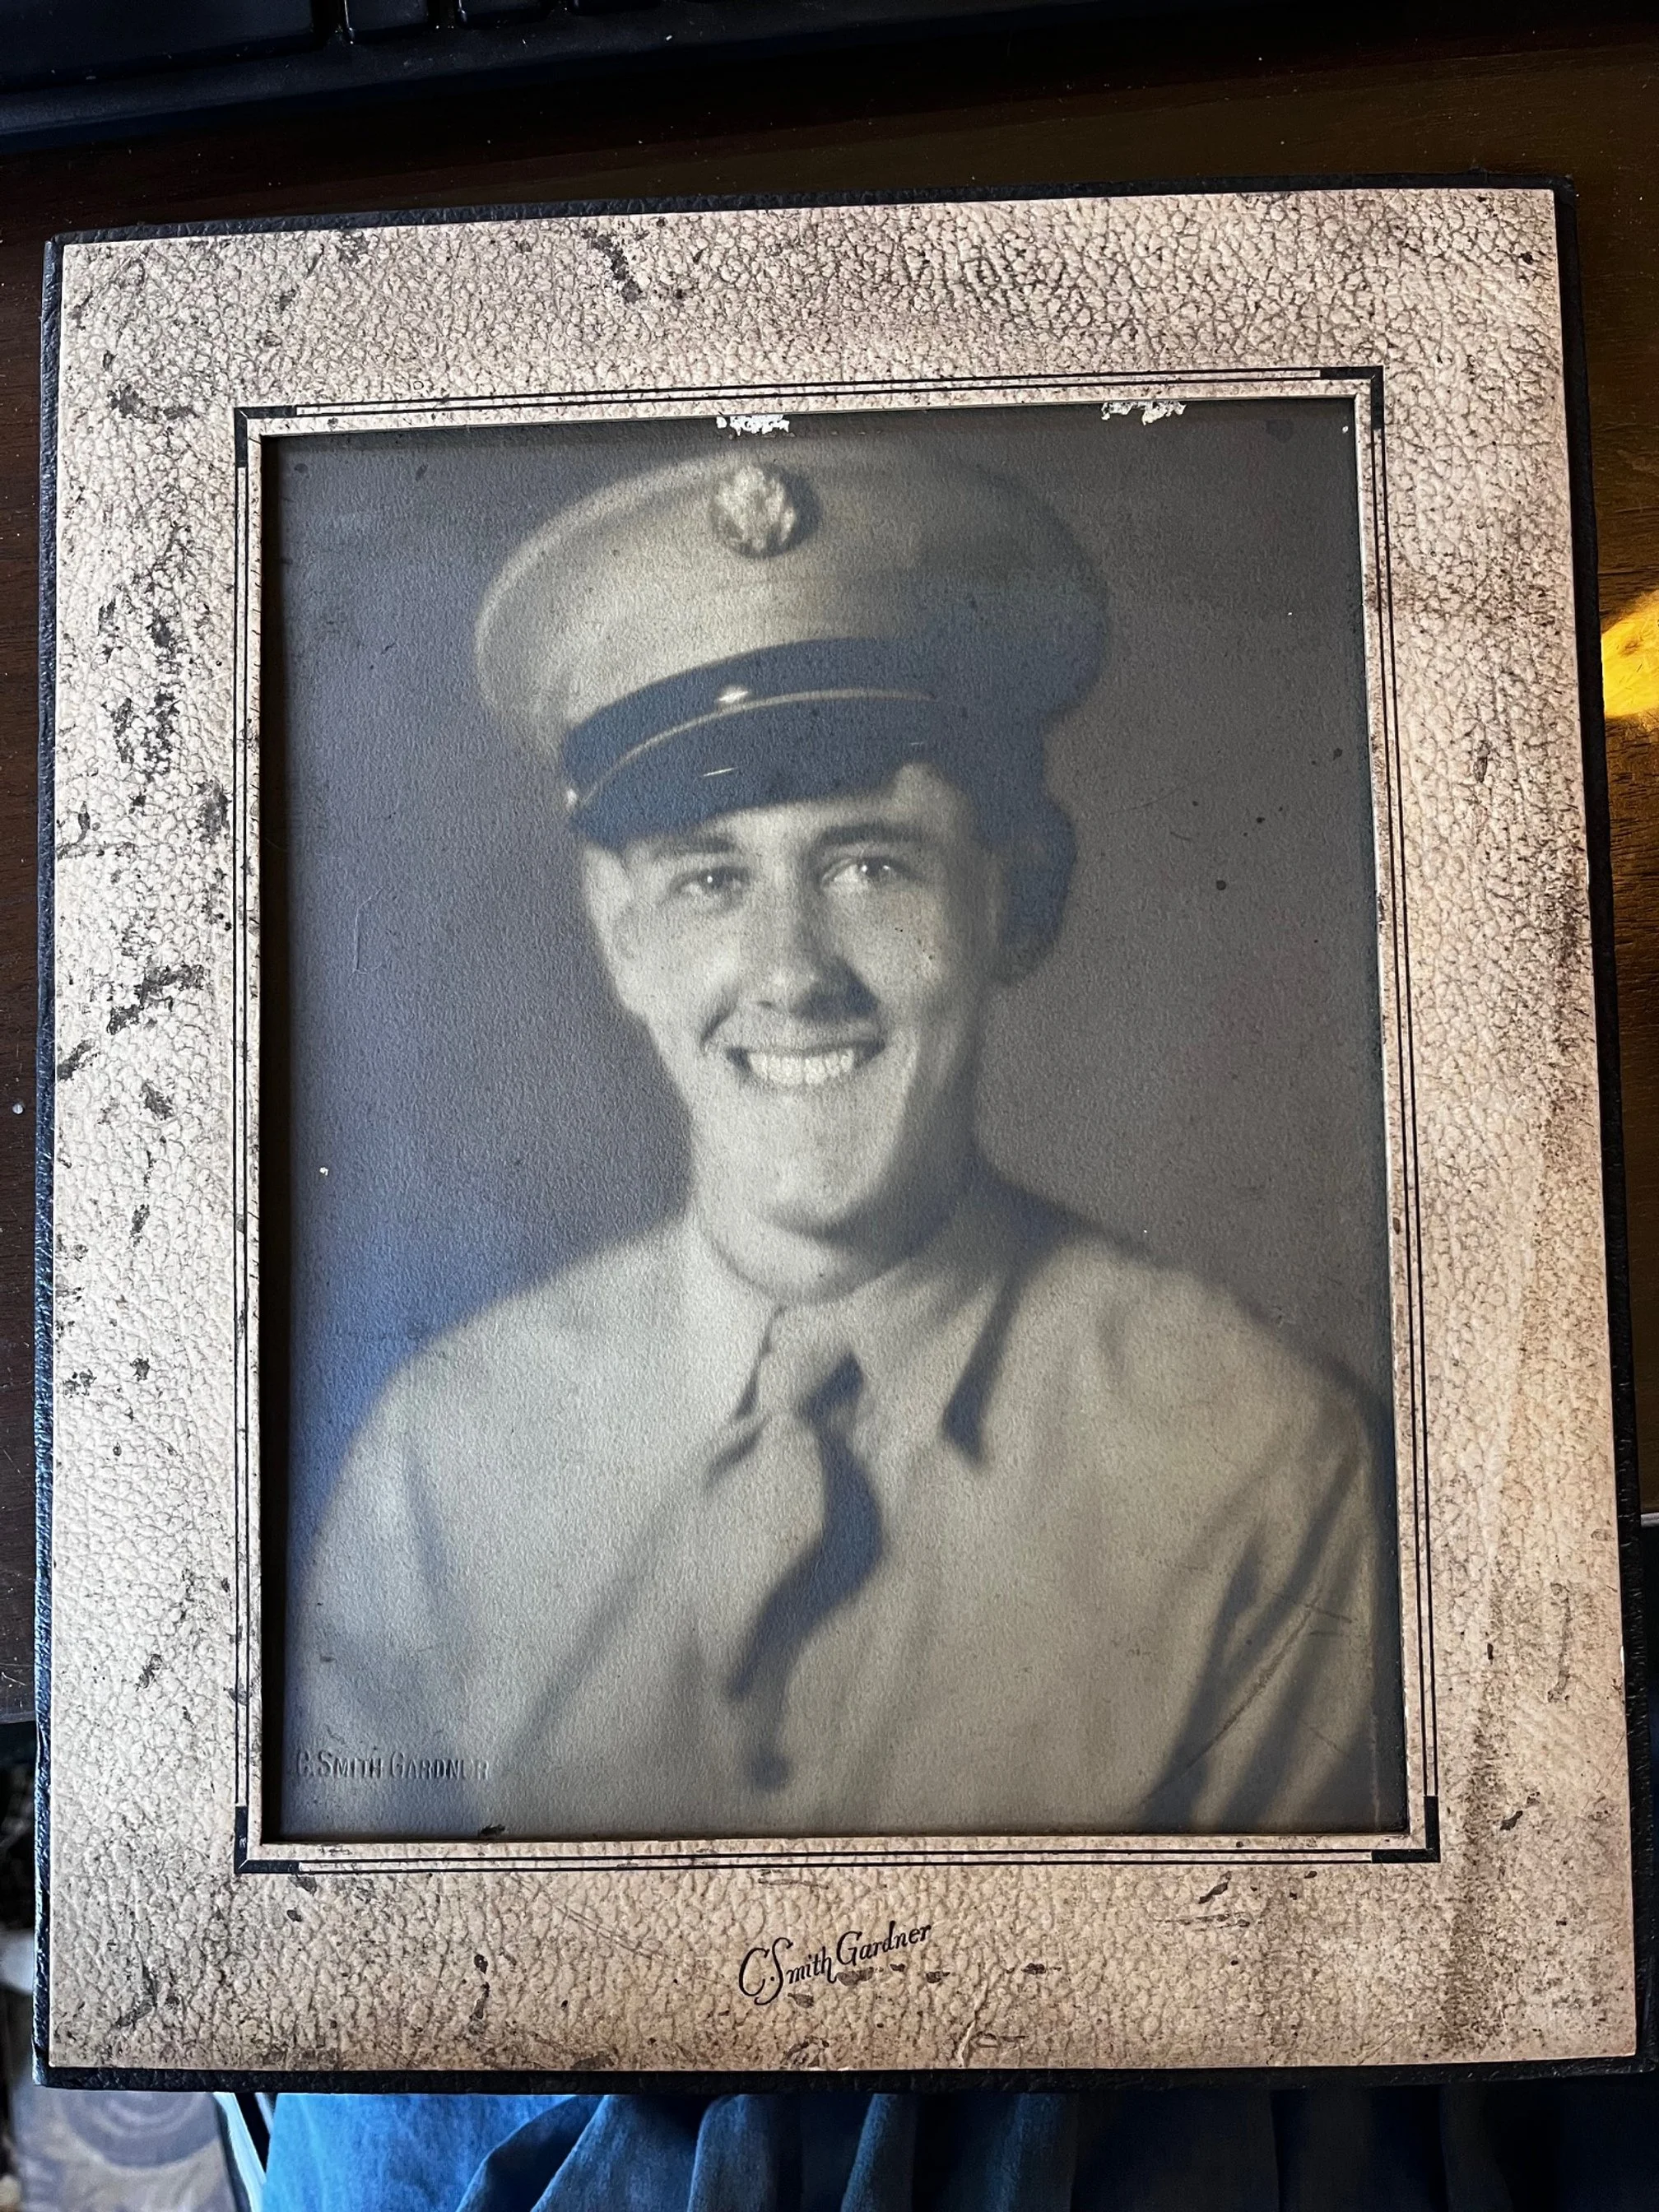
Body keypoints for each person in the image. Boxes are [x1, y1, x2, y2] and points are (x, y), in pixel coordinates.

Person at [284, 439, 1402, 1842]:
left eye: (872, 865)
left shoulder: (1260, 1475)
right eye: (707, 881)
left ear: (1022, 897)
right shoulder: (441, 1466)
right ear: (622, 937)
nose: (791, 971)